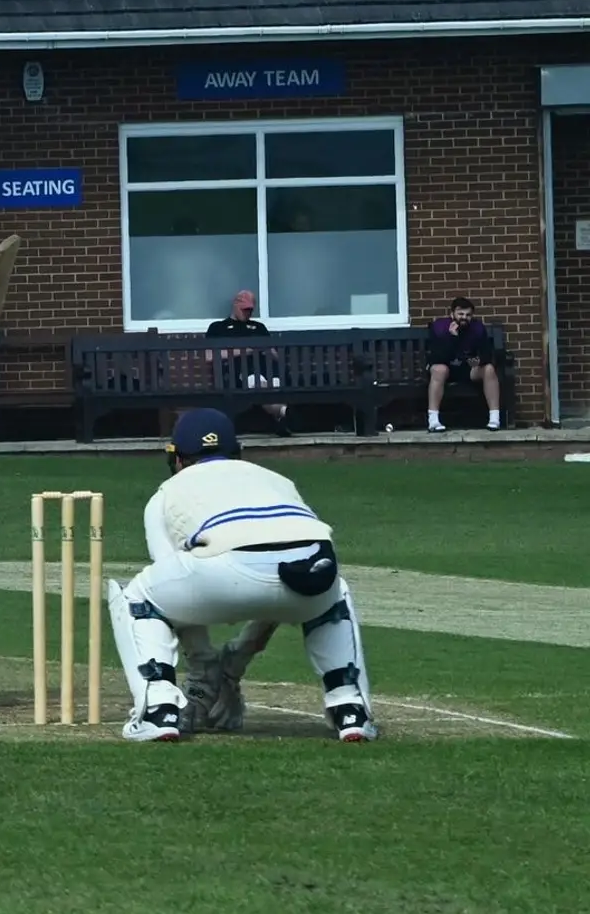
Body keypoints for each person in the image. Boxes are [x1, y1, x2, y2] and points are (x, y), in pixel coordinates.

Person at [105, 408, 378, 743]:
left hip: (222, 572)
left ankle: (158, 709)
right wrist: (233, 665)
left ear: (176, 458)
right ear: (238, 452)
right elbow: (283, 574)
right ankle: (351, 708)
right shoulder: (276, 480)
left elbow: (173, 591)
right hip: (315, 572)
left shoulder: (167, 493)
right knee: (334, 594)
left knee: (137, 596)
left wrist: (206, 673)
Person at [204, 290, 291, 436]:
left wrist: (267, 350)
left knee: (276, 375)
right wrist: (246, 350)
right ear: (235, 305)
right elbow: (209, 356)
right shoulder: (218, 327)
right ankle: (284, 414)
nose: (248, 313)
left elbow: (276, 356)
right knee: (253, 374)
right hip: (238, 371)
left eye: (250, 310)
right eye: (244, 310)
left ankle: (282, 415)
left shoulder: (258, 327)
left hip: (266, 367)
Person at [426, 297, 501, 431]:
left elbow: (487, 354)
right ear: (452, 314)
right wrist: (452, 337)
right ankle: (433, 420)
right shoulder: (439, 327)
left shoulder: (477, 329)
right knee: (439, 370)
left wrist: (478, 361)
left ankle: (494, 419)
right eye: (460, 314)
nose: (464, 318)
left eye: (468, 315)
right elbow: (436, 357)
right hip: (445, 367)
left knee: (488, 369)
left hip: (468, 368)